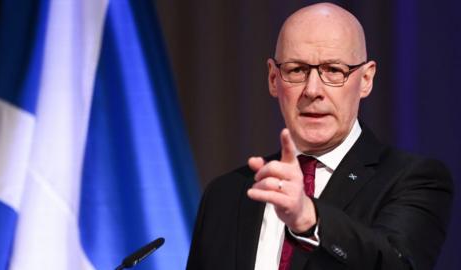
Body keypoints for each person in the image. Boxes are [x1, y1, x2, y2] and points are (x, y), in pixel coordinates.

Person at [186, 2, 453, 270]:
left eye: (334, 70)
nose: (313, 90)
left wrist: (309, 219)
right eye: (296, 70)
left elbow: (398, 264)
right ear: (272, 78)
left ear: (366, 79)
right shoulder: (226, 195)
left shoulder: (414, 180)